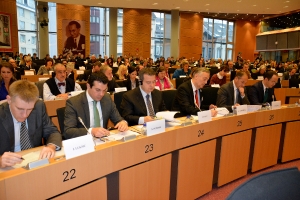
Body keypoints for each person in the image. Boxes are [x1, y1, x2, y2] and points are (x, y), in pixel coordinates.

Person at [0, 80, 62, 168]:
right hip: (8, 167)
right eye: (20, 109)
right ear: (9, 100)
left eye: (30, 109)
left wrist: (51, 146)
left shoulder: (39, 106)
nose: (25, 114)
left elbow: (52, 131)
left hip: (34, 161)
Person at [64, 72, 128, 139]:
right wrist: (91, 131)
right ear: (88, 86)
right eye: (98, 90)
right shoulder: (74, 103)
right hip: (84, 143)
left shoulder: (107, 98)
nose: (101, 94)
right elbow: (68, 131)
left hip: (103, 140)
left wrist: (122, 123)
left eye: (104, 90)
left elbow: (118, 119)